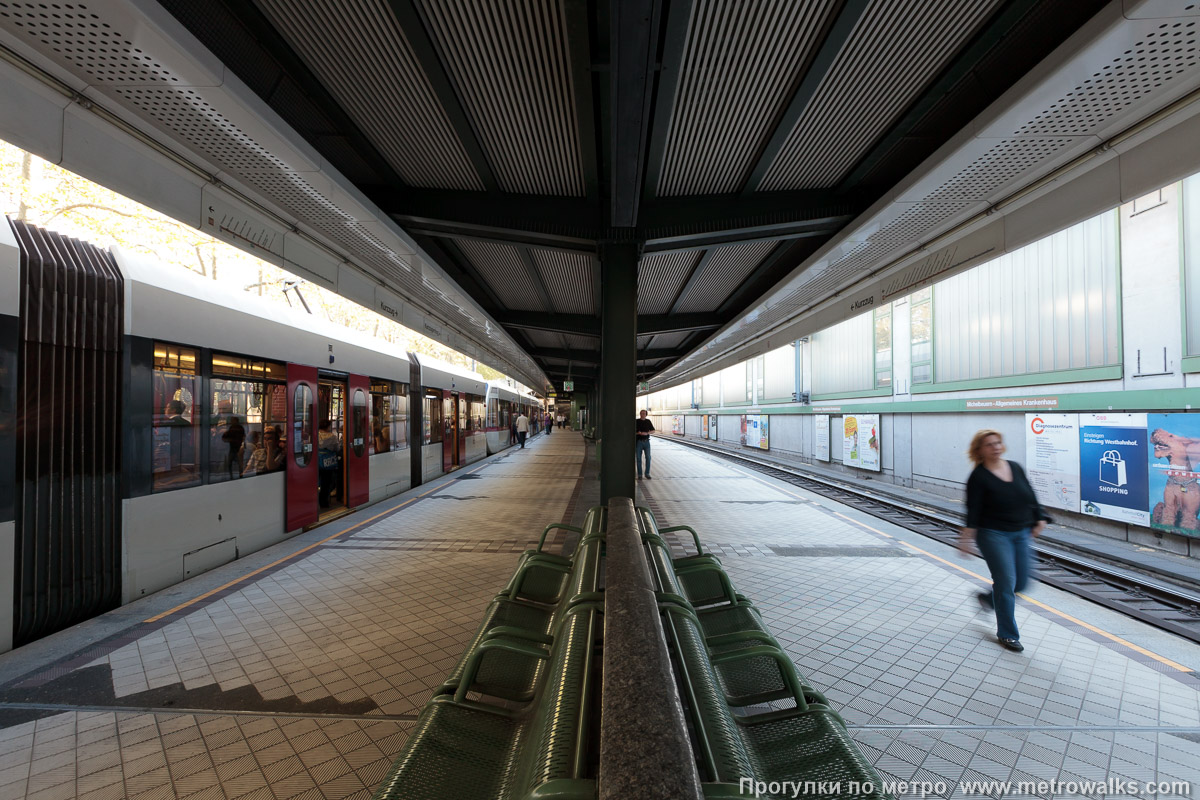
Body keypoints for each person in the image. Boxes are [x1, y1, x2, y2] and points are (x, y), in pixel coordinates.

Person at [958, 429, 1050, 652]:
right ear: (979, 450)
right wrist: (966, 539)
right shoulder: (978, 477)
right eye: (989, 444)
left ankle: (988, 600)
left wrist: (1040, 517)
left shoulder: (1015, 467)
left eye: (998, 442)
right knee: (1006, 581)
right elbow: (973, 510)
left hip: (1020, 532)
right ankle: (1008, 634)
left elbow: (1030, 494)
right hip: (992, 534)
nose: (996, 447)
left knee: (1023, 583)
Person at [317, 419, 341, 508]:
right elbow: (337, 449)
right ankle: (324, 502)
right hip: (328, 463)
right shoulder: (332, 437)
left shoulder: (315, 435)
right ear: (328, 427)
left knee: (317, 481)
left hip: (317, 461)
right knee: (327, 483)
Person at [636, 409, 655, 479]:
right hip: (639, 442)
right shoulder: (636, 421)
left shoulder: (648, 421)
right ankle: (640, 474)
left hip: (647, 442)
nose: (642, 414)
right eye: (641, 413)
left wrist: (647, 433)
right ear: (640, 414)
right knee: (638, 458)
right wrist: (638, 433)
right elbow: (632, 431)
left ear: (646, 414)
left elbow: (653, 430)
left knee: (648, 457)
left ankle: (647, 473)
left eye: (644, 413)